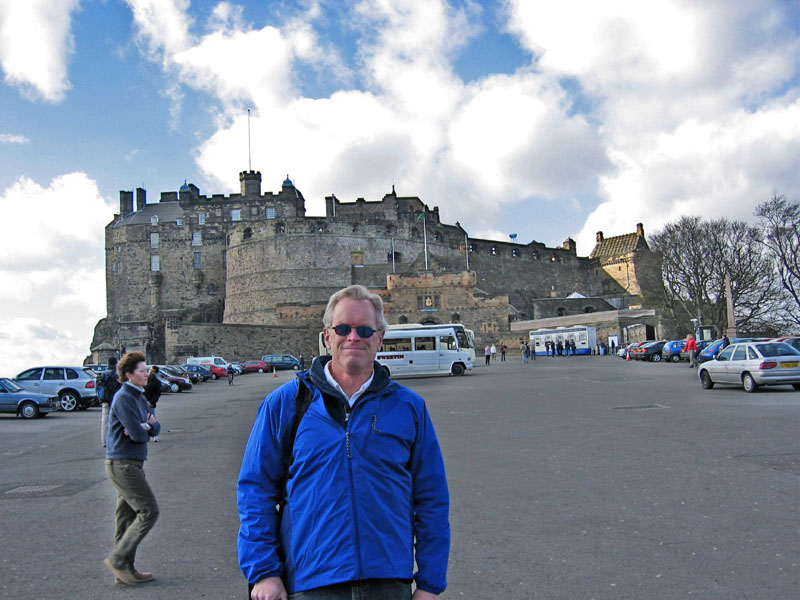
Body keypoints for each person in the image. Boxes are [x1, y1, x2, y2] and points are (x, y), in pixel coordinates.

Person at [238, 284, 450, 600]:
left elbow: (431, 498)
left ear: (379, 338)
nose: (354, 337)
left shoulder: (409, 407)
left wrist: (431, 584)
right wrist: (265, 572)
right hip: (312, 582)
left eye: (365, 329)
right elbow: (256, 490)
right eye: (343, 328)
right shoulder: (285, 403)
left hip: (388, 582)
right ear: (327, 336)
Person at [103, 351, 160, 586]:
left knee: (125, 518)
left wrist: (146, 425)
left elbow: (154, 427)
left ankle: (125, 570)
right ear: (128, 375)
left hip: (132, 462)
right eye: (141, 371)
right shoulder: (124, 397)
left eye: (146, 370)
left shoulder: (138, 396)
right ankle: (118, 559)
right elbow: (138, 434)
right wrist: (146, 427)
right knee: (149, 510)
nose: (147, 374)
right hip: (122, 463)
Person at [100, 357, 120, 447]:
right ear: (115, 363)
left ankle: (104, 441)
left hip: (104, 399)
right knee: (115, 420)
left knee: (104, 421)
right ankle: (114, 440)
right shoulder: (116, 375)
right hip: (114, 400)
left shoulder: (103, 374)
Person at [144, 366, 161, 442]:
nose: (151, 372)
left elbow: (157, 393)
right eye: (150, 370)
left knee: (152, 419)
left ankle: (156, 434)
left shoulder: (157, 382)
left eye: (153, 371)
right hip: (142, 402)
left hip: (150, 403)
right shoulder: (144, 378)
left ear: (155, 373)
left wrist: (152, 402)